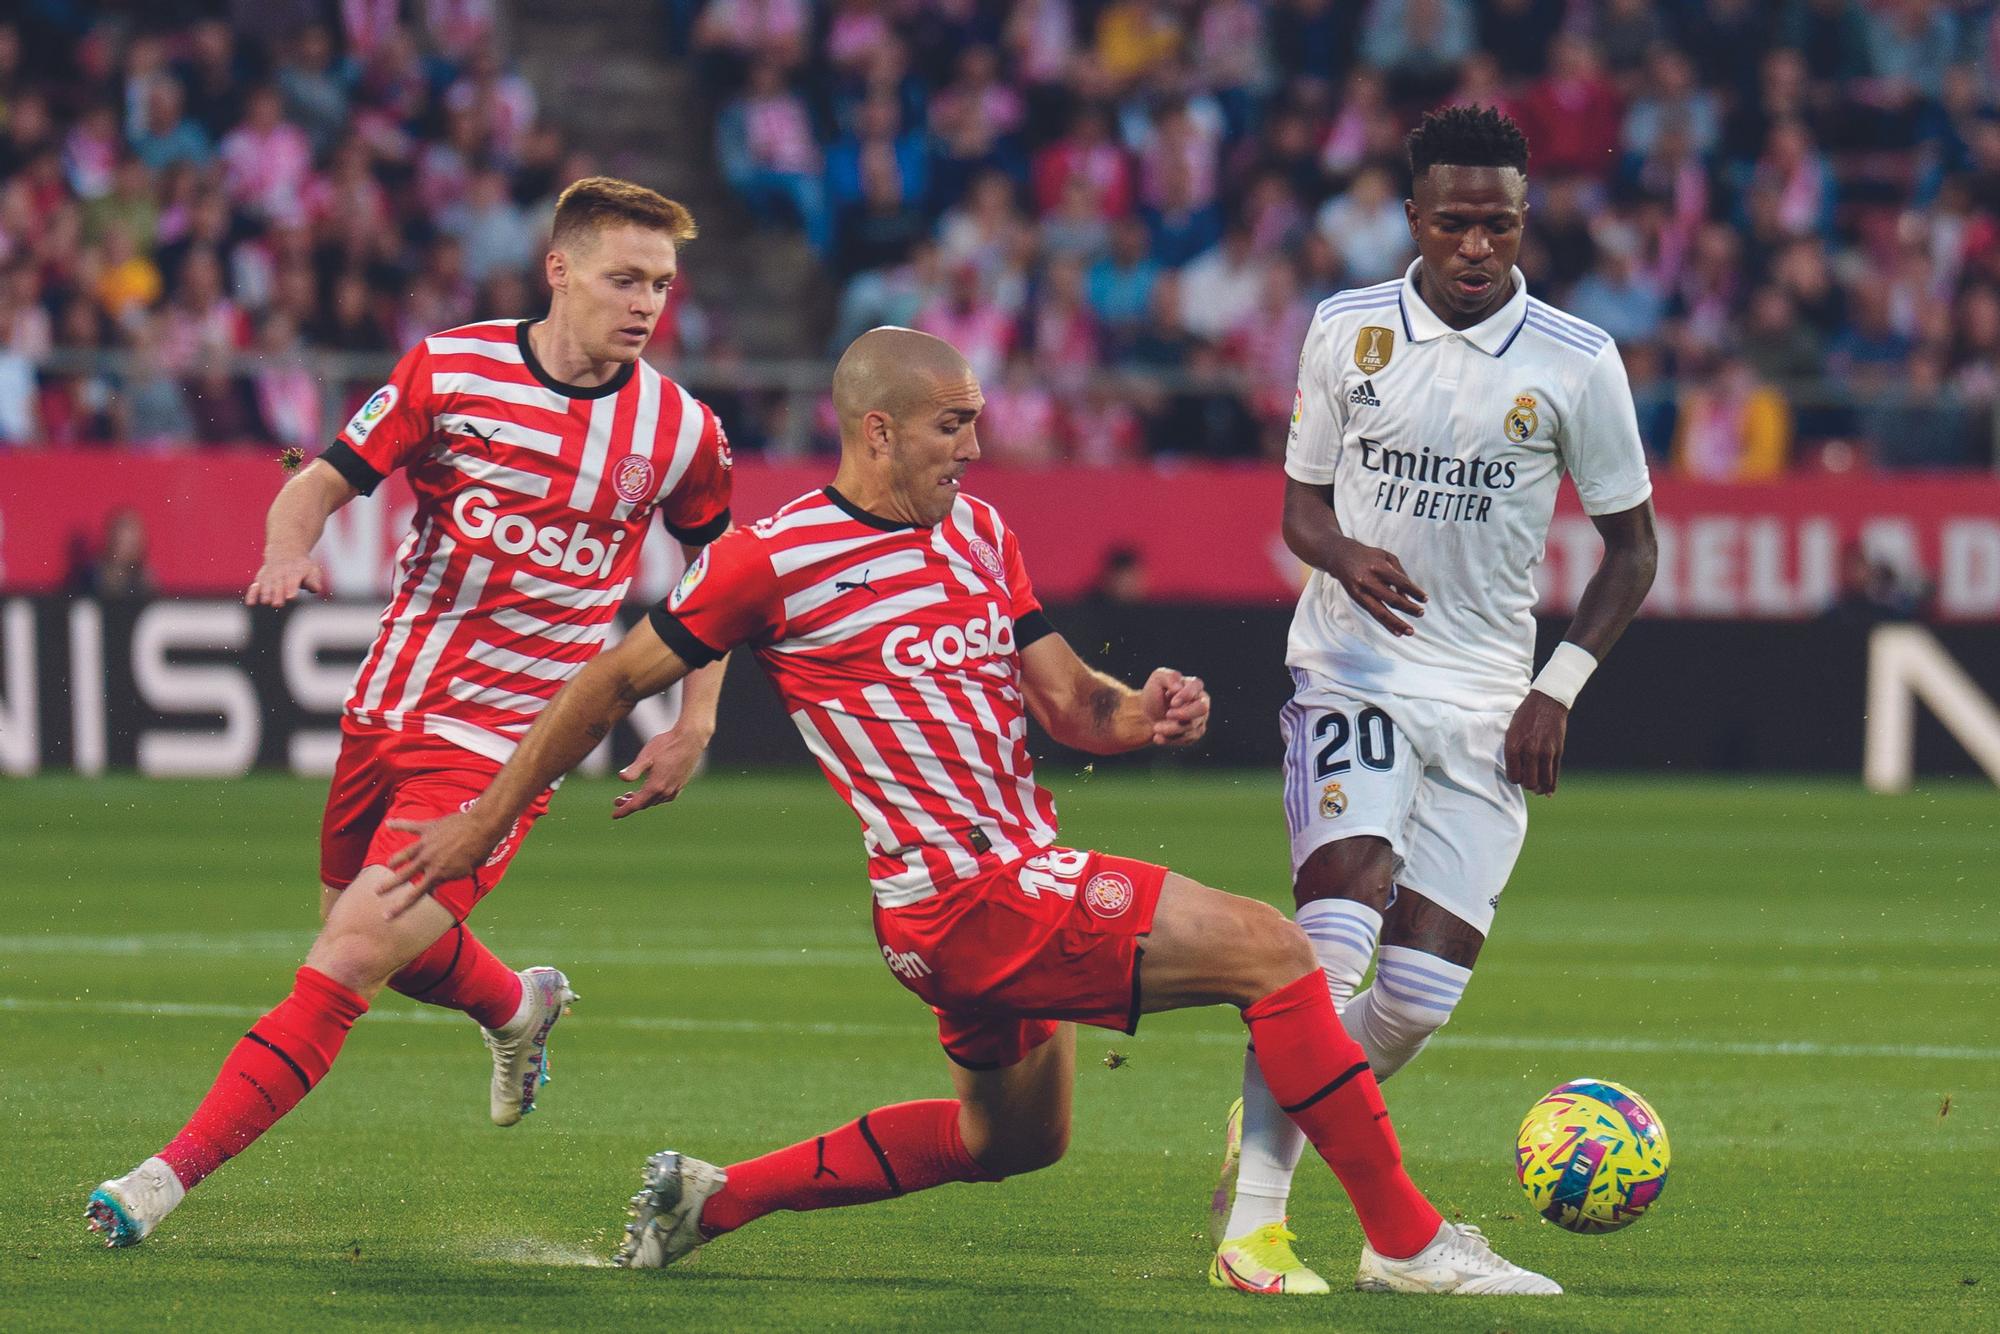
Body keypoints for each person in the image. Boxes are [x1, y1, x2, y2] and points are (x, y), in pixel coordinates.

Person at [383, 326, 1560, 1297]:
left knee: (1013, 1142)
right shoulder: (773, 559)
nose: (976, 443)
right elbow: (604, 681)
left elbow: (1068, 703)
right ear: (878, 428)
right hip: (966, 895)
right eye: (954, 422)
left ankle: (709, 1195)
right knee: (1274, 948)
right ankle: (1404, 1240)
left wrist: (1138, 710)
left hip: (984, 897)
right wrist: (488, 819)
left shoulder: (980, 532)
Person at [86, 177, 737, 1248]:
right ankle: (517, 1006)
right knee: (372, 927)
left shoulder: (678, 429)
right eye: (625, 277)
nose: (644, 303)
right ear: (559, 270)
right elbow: (322, 480)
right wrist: (286, 548)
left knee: (345, 958)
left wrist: (693, 717)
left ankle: (161, 1178)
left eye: (660, 284)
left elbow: (719, 571)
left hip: (509, 744)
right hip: (388, 709)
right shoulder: (451, 366)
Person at [1208, 106, 1659, 1294]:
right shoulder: (1345, 329)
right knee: (1336, 926)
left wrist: (1554, 688)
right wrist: (1344, 556)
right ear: (1411, 218)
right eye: (1453, 221)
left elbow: (1631, 548)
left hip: (1485, 695)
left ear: (1523, 222)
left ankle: (1289, 1139)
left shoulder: (1575, 360)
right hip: (1349, 669)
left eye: (1497, 223)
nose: (1475, 244)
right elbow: (1302, 504)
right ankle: (1253, 1227)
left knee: (1410, 999)